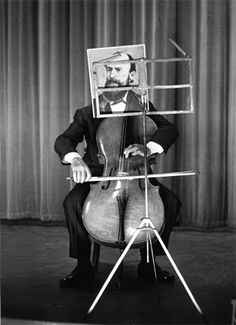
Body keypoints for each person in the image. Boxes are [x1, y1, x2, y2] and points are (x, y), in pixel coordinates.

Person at [54, 51, 181, 288]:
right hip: (99, 179)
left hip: (137, 177)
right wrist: (74, 159)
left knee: (171, 202)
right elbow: (64, 140)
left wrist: (148, 147)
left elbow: (169, 129)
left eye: (118, 70)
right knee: (72, 203)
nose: (112, 75)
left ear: (132, 75)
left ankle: (149, 263)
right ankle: (83, 266)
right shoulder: (89, 111)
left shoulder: (143, 106)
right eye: (109, 70)